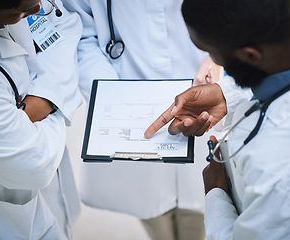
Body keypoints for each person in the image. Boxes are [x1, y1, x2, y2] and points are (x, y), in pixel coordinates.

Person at [61, 0, 240, 239]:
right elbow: (80, 28)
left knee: (205, 203)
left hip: (204, 88)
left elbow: (249, 13)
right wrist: (111, 94)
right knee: (152, 210)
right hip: (125, 100)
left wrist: (221, 56)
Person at [146, 0, 290, 239]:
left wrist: (217, 193)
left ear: (250, 55)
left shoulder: (283, 172)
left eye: (212, 52)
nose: (213, 60)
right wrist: (226, 95)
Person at [0, 0, 83, 239]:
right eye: (24, 11)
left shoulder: (28, 2)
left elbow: (66, 24)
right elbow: (34, 164)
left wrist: (42, 102)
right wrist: (56, 96)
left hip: (40, 202)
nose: (38, 9)